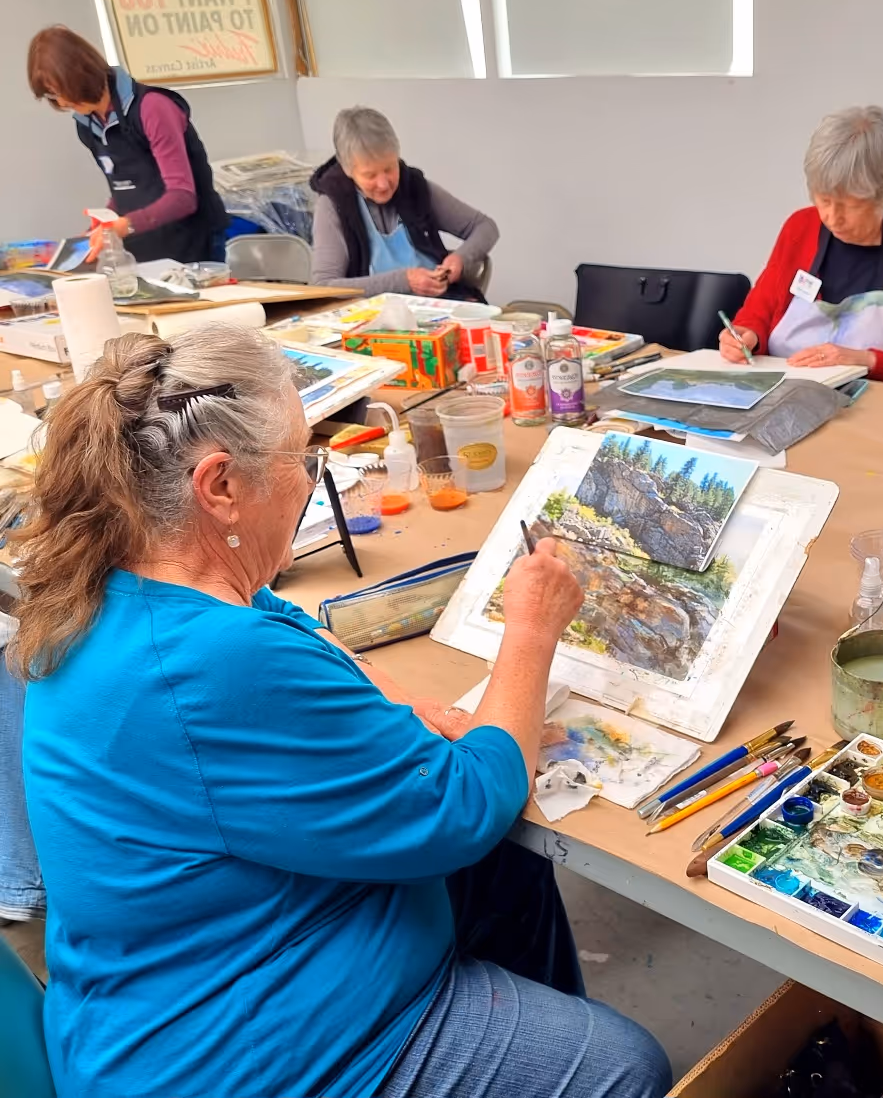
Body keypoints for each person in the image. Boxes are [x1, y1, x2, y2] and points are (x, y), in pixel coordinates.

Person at [12, 324, 670, 1098]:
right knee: (624, 1062)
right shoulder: (209, 660)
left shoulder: (121, 582)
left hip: (187, 969)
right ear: (219, 485)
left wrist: (375, 708)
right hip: (228, 1053)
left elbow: (273, 623)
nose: (311, 476)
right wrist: (531, 629)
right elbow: (466, 802)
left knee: (510, 871)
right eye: (304, 457)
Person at [719, 106, 883, 392]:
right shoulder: (799, 229)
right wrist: (744, 337)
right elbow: (758, 315)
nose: (832, 217)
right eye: (823, 199)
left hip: (879, 420)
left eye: (851, 205)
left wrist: (868, 361)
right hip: (780, 402)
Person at [26, 26, 230, 264]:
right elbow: (125, 188)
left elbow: (182, 197)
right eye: (51, 96)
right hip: (146, 246)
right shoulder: (86, 125)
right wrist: (106, 221)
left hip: (194, 241)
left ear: (81, 74)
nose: (61, 102)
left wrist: (124, 225)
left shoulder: (153, 108)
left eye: (61, 91)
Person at [311, 107, 498, 302]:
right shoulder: (332, 205)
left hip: (440, 306)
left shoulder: (416, 188)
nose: (383, 184)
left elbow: (486, 227)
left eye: (390, 168)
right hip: (372, 319)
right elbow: (324, 286)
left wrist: (461, 258)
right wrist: (404, 281)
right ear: (347, 169)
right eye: (370, 175)